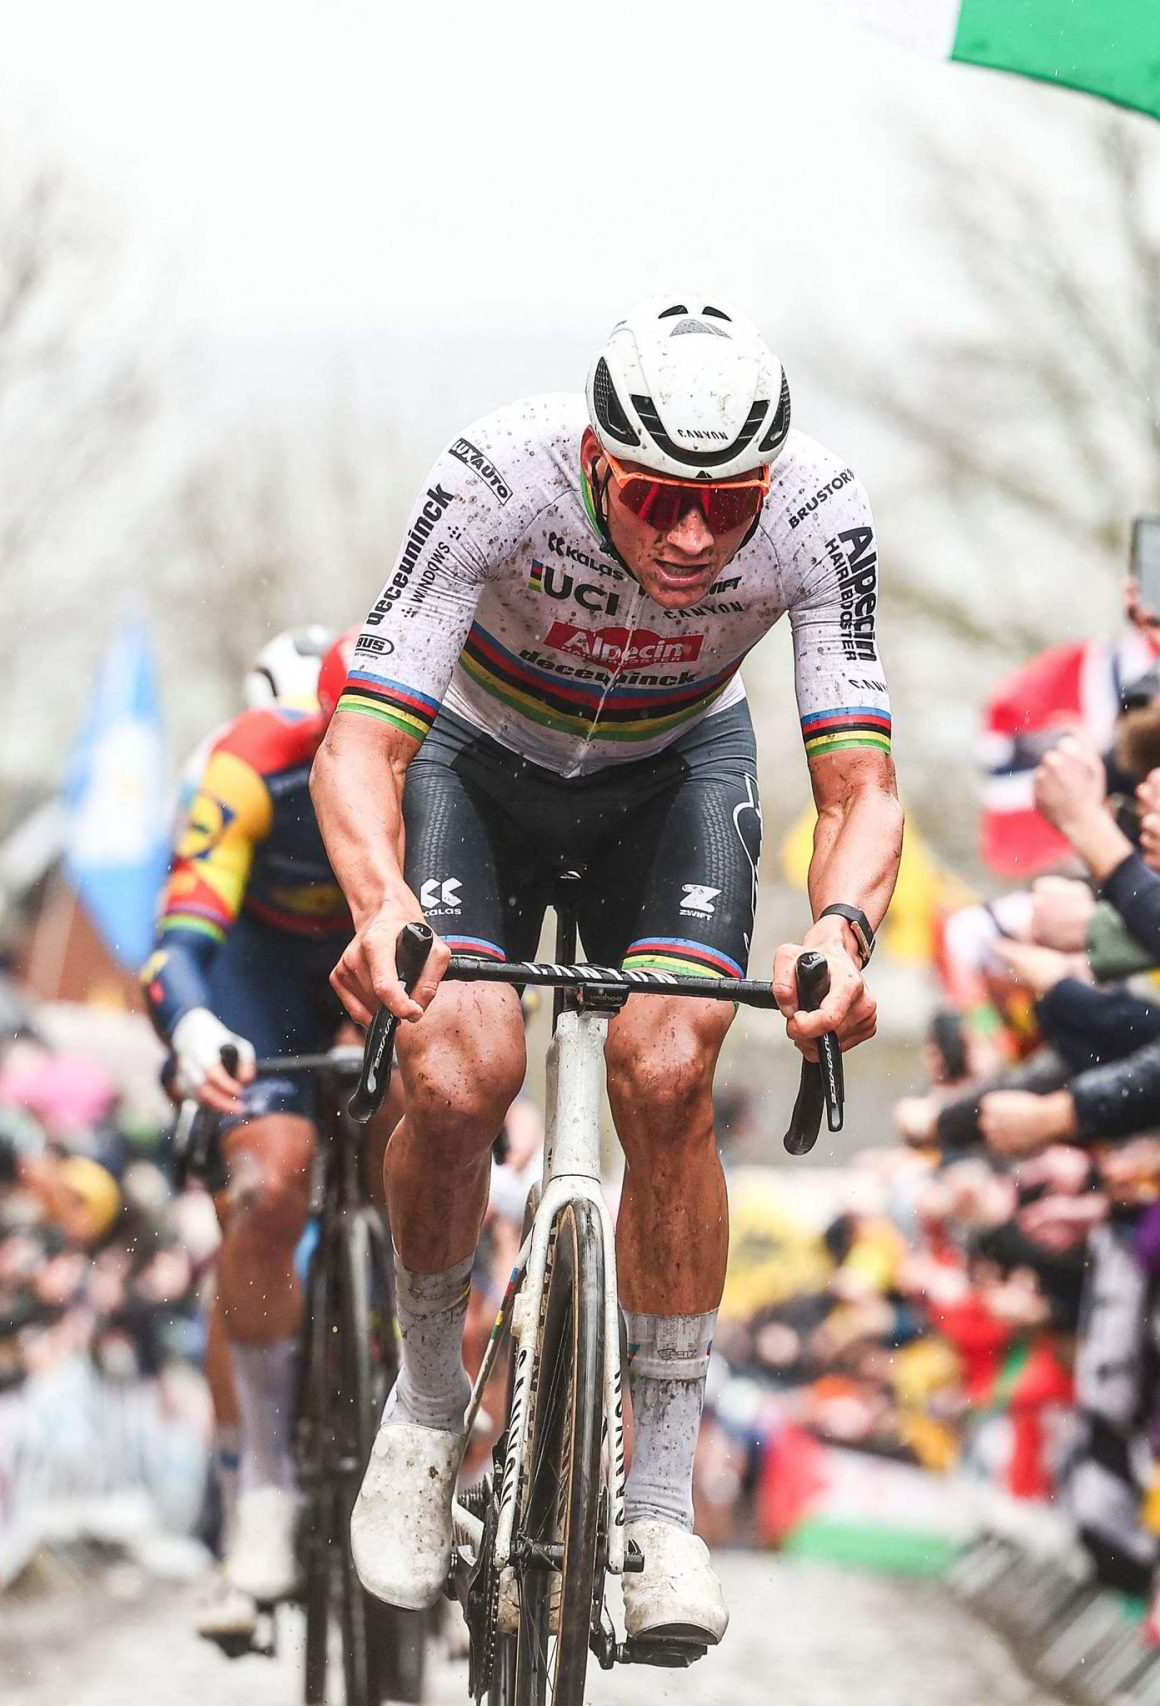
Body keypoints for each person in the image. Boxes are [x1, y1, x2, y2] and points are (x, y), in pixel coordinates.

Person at [314, 297, 900, 1653]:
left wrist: (844, 932)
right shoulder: (498, 476)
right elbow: (362, 744)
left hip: (676, 773)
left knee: (670, 1063)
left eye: (729, 507)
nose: (694, 538)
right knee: (459, 1073)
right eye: (655, 500)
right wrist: (381, 898)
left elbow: (861, 784)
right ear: (593, 463)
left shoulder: (821, 512)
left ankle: (657, 1500)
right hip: (478, 762)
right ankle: (420, 1410)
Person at [139, 628, 359, 1627]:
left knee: (445, 1144)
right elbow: (177, 943)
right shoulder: (247, 765)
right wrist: (190, 1025)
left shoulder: (450, 759)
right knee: (266, 1188)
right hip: (258, 980)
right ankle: (262, 1482)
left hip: (375, 971)